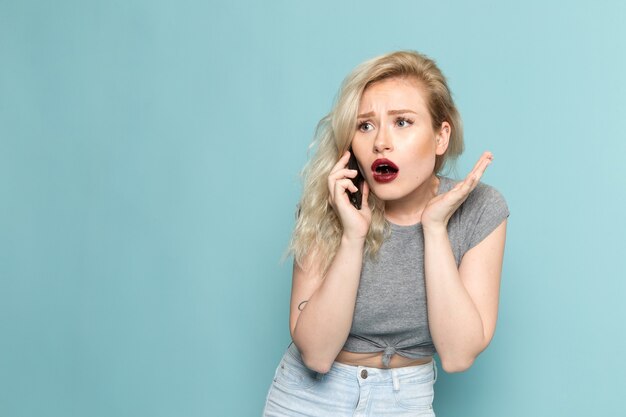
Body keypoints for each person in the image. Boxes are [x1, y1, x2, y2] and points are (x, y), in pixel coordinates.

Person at [263, 50, 509, 416]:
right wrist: (352, 236)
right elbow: (315, 353)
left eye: (403, 122)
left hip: (405, 400)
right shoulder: (330, 205)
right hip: (308, 401)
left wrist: (436, 227)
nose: (381, 142)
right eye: (365, 125)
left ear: (441, 136)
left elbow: (458, 355)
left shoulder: (480, 209)